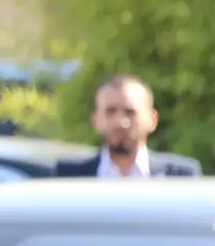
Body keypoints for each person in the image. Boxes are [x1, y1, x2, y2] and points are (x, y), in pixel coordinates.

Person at [55, 75, 201, 178]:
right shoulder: (69, 176)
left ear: (152, 119)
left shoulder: (180, 176)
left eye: (130, 112)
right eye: (110, 111)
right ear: (96, 120)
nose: (121, 122)